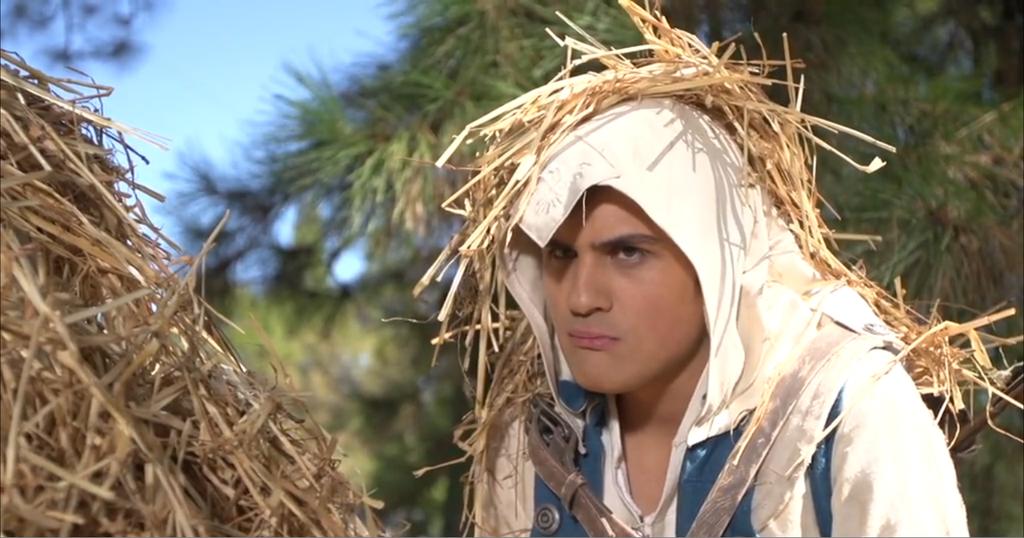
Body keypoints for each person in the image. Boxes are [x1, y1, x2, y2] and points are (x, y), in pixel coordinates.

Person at [468, 99, 968, 537]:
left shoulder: (845, 414)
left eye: (627, 253)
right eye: (561, 255)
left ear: (715, 260)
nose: (580, 298)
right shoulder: (529, 443)